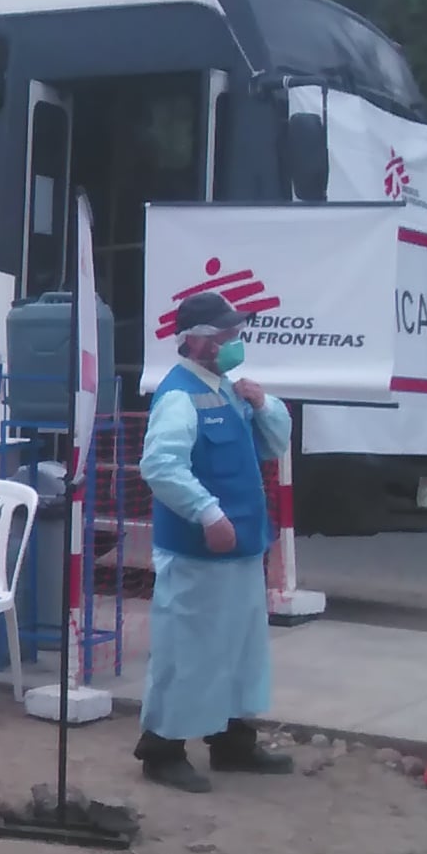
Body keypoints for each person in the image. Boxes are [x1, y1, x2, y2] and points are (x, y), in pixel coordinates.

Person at [133, 291, 297, 791]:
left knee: (239, 649)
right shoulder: (180, 395)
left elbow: (274, 444)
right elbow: (161, 466)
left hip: (241, 547)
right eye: (225, 336)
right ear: (198, 341)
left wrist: (265, 405)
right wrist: (206, 513)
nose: (235, 342)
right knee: (188, 652)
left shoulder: (227, 389)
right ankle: (162, 748)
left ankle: (232, 740)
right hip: (197, 551)